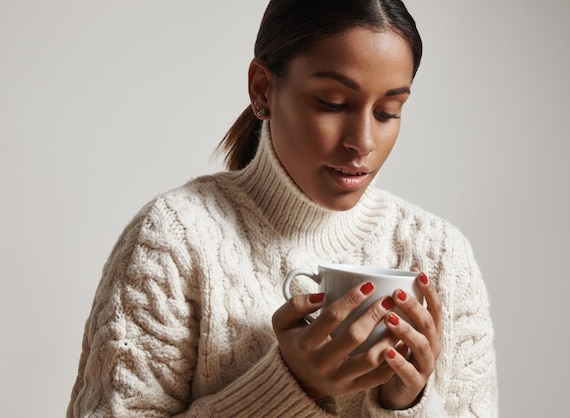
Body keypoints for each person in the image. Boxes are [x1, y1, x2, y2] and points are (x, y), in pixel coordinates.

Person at [67, 0, 498, 416]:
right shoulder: (173, 240)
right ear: (262, 88)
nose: (362, 142)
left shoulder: (441, 256)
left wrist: (407, 405)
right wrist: (290, 388)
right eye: (332, 102)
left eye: (388, 111)